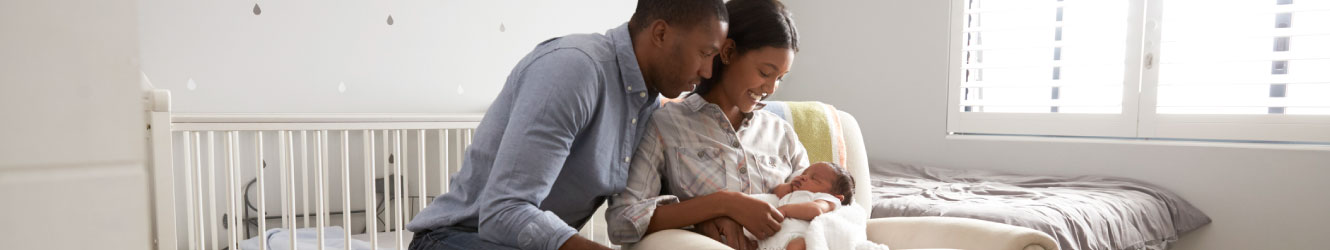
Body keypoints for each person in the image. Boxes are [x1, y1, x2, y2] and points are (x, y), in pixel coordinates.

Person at [405, 1, 729, 250]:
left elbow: (633, 210)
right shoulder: (575, 69)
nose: (708, 71)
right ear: (660, 33)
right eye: (705, 53)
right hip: (456, 238)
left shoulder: (646, 105)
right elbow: (504, 210)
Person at [605, 0, 804, 249]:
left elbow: (818, 199)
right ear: (728, 52)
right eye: (765, 73)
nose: (771, 89)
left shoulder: (782, 134)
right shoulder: (665, 125)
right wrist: (719, 205)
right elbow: (623, 221)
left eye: (780, 79)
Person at [749, 162, 855, 250]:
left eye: (815, 179)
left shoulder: (827, 199)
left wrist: (785, 210)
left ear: (837, 197)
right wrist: (789, 186)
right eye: (804, 174)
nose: (803, 177)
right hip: (771, 242)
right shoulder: (793, 194)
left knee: (799, 245)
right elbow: (776, 192)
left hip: (797, 237)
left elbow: (816, 209)